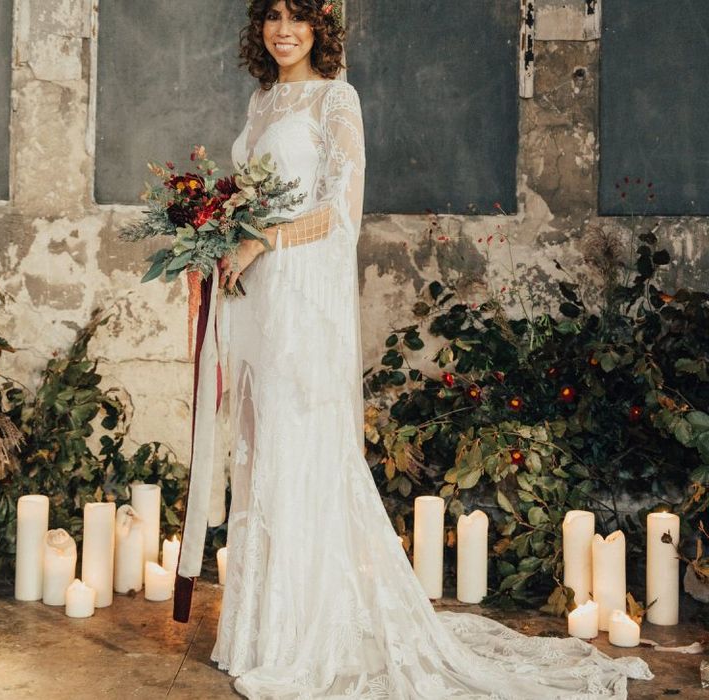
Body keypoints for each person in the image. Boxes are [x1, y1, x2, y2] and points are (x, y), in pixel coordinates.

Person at [177, 1, 654, 697]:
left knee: (295, 452)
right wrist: (214, 243)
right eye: (273, 16)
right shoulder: (261, 99)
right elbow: (248, 200)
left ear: (320, 28)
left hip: (297, 308)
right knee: (256, 457)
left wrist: (259, 240)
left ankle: (304, 633)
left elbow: (342, 210)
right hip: (253, 303)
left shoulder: (338, 99)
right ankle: (260, 629)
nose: (284, 30)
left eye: (299, 17)